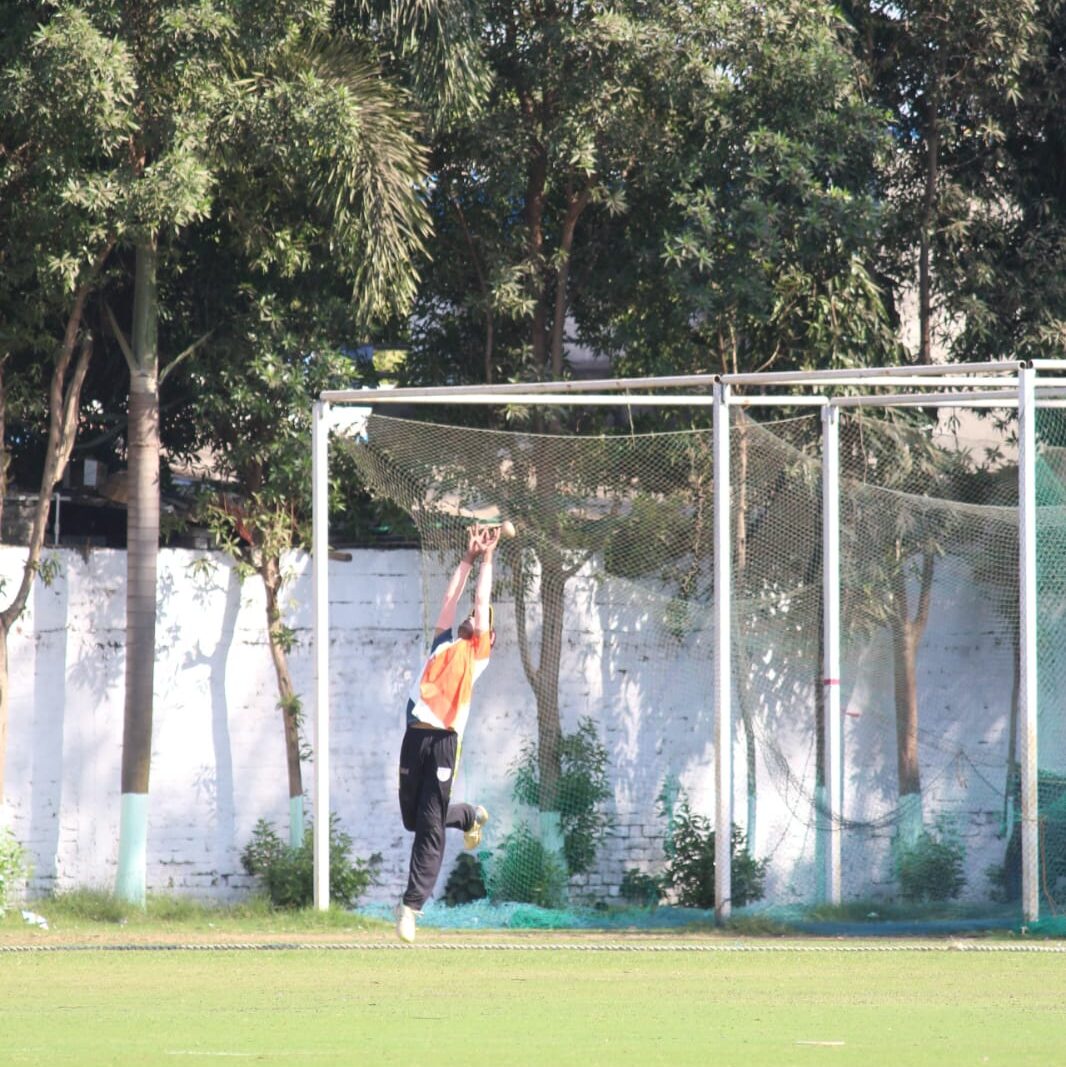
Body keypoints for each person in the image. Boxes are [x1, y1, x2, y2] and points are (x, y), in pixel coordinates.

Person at [395, 522, 501, 943]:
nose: (472, 619)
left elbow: (479, 598)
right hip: (413, 738)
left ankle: (411, 908)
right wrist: (468, 557)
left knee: (430, 829)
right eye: (471, 619)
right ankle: (470, 814)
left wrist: (489, 559)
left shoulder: (476, 657)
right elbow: (451, 598)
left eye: (479, 621)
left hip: (442, 744)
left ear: (484, 636)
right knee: (413, 819)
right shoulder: (442, 642)